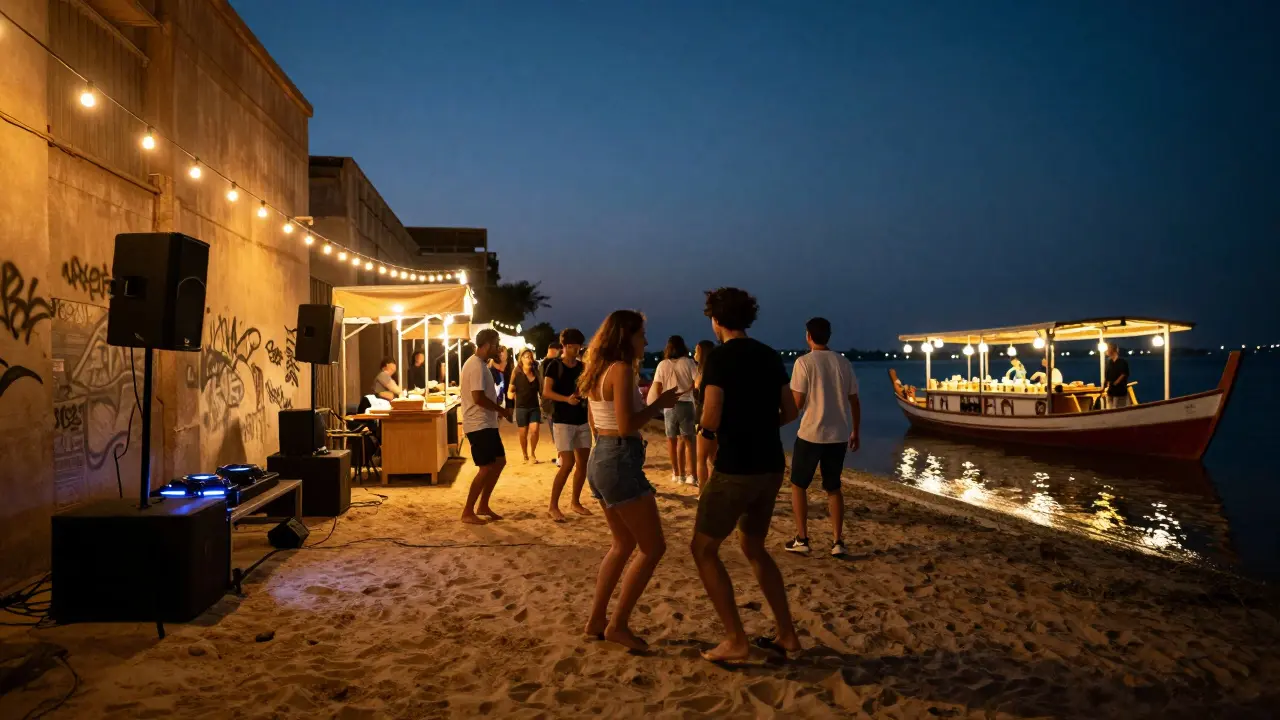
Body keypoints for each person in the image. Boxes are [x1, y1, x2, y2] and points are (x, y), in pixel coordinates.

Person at [691, 287, 801, 662]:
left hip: (736, 466)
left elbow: (712, 413)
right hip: (770, 465)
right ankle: (787, 634)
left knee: (703, 548)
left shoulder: (719, 359)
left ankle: (736, 639)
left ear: (716, 320)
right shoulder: (769, 355)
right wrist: (759, 421)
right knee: (753, 547)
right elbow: (789, 411)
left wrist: (705, 432)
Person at [580, 311, 682, 651]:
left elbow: (600, 421)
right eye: (642, 335)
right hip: (619, 459)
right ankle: (617, 625)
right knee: (653, 548)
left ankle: (597, 620)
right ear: (627, 337)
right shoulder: (621, 370)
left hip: (603, 458)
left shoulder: (598, 370)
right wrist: (661, 404)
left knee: (622, 545)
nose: (647, 342)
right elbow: (626, 425)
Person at [784, 318, 860, 557]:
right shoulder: (843, 363)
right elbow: (854, 400)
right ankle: (837, 541)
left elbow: (797, 403)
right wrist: (855, 430)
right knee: (833, 488)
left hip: (810, 434)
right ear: (829, 335)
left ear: (808, 336)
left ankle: (802, 538)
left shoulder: (803, 363)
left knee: (798, 485)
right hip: (837, 436)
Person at [460, 329, 514, 524]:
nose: (498, 347)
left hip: (486, 424)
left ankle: (483, 505)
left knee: (499, 462)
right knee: (485, 467)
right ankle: (467, 511)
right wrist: (501, 410)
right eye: (496, 343)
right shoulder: (475, 366)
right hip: (478, 424)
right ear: (487, 344)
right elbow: (478, 397)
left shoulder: (481, 365)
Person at [543, 328, 593, 521]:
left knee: (582, 463)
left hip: (581, 420)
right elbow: (546, 391)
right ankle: (553, 506)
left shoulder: (582, 368)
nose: (575, 351)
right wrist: (566, 399)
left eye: (577, 347)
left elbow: (587, 389)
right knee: (567, 463)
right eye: (571, 347)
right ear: (564, 346)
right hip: (562, 421)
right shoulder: (553, 366)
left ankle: (575, 502)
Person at [652, 336, 698, 485]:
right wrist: (688, 389)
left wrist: (659, 404)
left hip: (669, 406)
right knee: (688, 440)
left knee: (671, 440)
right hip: (686, 403)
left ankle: (677, 474)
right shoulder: (689, 362)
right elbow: (697, 382)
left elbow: (657, 387)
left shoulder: (662, 365)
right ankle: (692, 475)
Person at [508, 348, 543, 463]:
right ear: (521, 359)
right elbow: (510, 389)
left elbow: (541, 389)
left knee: (535, 430)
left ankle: (532, 453)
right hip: (521, 407)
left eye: (530, 357)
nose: (529, 359)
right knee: (523, 433)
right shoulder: (516, 372)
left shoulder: (536, 372)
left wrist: (544, 400)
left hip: (534, 407)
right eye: (526, 357)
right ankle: (525, 454)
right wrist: (510, 394)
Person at [693, 339, 717, 483]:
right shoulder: (715, 373)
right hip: (717, 417)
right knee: (713, 458)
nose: (694, 354)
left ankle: (702, 492)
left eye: (696, 351)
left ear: (702, 353)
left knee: (701, 458)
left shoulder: (703, 375)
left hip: (703, 417)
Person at [540, 342, 563, 467]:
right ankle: (561, 457)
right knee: (558, 431)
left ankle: (560, 456)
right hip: (552, 403)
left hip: (548, 403)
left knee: (557, 431)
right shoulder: (552, 364)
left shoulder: (544, 364)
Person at [1104, 343, 1131, 409]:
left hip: (1120, 391)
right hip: (1111, 391)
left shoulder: (1122, 362)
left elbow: (1124, 374)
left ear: (1113, 350)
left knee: (1118, 409)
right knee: (1110, 410)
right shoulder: (1108, 362)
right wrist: (1105, 386)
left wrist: (1116, 382)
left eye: (1108, 349)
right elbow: (1107, 375)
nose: (1106, 351)